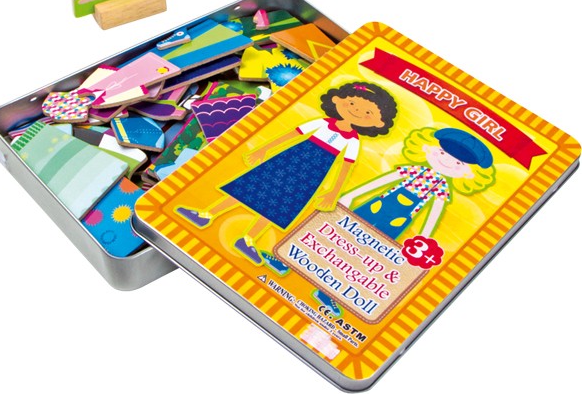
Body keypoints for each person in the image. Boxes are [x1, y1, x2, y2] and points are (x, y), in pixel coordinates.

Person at [176, 82, 398, 265]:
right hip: (289, 160)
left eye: (368, 113)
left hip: (311, 175)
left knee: (276, 206)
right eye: (352, 103)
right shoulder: (322, 123)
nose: (357, 111)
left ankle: (248, 239)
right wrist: (263, 150)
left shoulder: (353, 141)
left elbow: (345, 167)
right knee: (249, 189)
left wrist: (333, 192)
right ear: (338, 100)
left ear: (377, 123)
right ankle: (206, 215)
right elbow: (292, 135)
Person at [340, 127, 496, 239]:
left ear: (467, 173)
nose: (447, 161)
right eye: (442, 153)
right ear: (429, 149)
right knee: (341, 228)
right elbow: (382, 181)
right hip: (375, 206)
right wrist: (351, 196)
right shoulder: (415, 170)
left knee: (374, 244)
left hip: (399, 220)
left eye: (458, 163)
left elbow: (435, 211)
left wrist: (423, 238)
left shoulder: (441, 186)